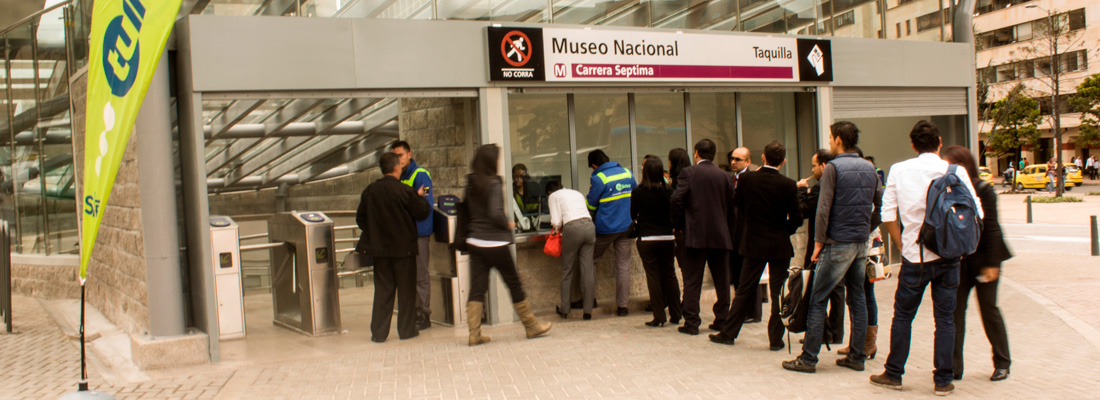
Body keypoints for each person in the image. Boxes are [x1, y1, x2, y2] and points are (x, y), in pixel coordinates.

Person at [870, 120, 982, 396]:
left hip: (914, 257)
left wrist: (902, 244)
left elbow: (888, 215)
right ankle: (943, 380)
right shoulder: (955, 171)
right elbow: (977, 212)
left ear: (912, 144)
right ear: (939, 142)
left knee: (903, 316)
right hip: (949, 256)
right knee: (945, 319)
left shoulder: (899, 169)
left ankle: (894, 373)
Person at [784, 121, 883, 373]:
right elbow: (879, 204)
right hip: (861, 243)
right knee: (857, 299)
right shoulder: (870, 168)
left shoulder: (833, 168)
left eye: (830, 137)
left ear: (839, 139)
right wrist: (866, 229)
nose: (829, 141)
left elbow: (823, 209)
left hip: (837, 243)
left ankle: (808, 358)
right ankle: (857, 356)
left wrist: (818, 244)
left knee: (818, 299)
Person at [709, 141, 802, 349]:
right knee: (778, 292)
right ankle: (775, 339)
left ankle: (729, 332)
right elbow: (797, 216)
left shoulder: (748, 179)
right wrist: (784, 230)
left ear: (763, 158)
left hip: (753, 242)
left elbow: (737, 202)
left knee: (744, 289)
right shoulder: (788, 184)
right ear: (784, 161)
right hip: (779, 244)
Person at [464, 144, 551, 346]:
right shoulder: (494, 182)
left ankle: (474, 334)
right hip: (495, 242)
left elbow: (467, 210)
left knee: (477, 288)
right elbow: (495, 213)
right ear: (490, 161)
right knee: (514, 283)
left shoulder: (471, 182)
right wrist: (508, 223)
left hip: (475, 241)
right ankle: (531, 326)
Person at [940, 146, 1013, 383]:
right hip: (959, 261)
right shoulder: (948, 189)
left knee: (989, 310)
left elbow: (992, 228)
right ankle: (953, 367)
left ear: (962, 165)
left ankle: (1002, 363)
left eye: (949, 164)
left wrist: (992, 264)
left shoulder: (983, 190)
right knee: (954, 313)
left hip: (984, 261)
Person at [356, 152, 431, 342]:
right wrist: (420, 196)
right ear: (397, 167)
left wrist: (375, 232)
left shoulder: (370, 191)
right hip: (404, 250)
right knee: (406, 291)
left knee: (383, 290)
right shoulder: (404, 191)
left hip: (380, 251)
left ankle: (379, 333)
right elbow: (422, 212)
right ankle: (406, 330)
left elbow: (360, 219)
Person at [670, 139, 735, 335]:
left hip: (695, 234)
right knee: (722, 280)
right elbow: (732, 206)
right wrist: (729, 230)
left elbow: (676, 199)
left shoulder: (688, 173)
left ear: (697, 153)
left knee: (693, 280)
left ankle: (691, 321)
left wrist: (679, 223)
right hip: (720, 234)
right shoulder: (725, 176)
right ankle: (722, 319)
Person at [797, 148, 845, 346]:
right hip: (840, 241)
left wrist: (800, 190)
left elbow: (805, 211)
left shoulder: (820, 187)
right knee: (837, 288)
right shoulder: (840, 183)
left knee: (817, 288)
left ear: (823, 166)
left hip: (820, 243)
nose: (812, 169)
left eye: (814, 165)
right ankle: (836, 332)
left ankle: (820, 332)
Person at [631, 157, 682, 327]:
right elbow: (675, 213)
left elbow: (633, 214)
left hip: (647, 238)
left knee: (653, 276)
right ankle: (676, 313)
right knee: (670, 274)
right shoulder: (669, 191)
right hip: (667, 238)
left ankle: (659, 315)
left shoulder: (638, 192)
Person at [586, 149, 637, 316]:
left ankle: (590, 300)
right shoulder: (627, 173)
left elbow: (591, 206)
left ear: (594, 165)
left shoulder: (598, 178)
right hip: (626, 227)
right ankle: (622, 307)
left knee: (590, 260)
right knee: (623, 266)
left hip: (605, 229)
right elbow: (635, 196)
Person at [390, 141, 435, 331]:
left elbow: (425, 199)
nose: (398, 160)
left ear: (410, 154)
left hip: (419, 233)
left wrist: (416, 198)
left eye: (400, 155)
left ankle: (423, 314)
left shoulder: (420, 175)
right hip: (404, 234)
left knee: (420, 275)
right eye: (395, 156)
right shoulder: (398, 177)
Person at [546, 180, 596, 320]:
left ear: (549, 192)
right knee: (587, 270)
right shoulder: (576, 192)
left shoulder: (553, 196)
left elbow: (556, 222)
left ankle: (565, 309)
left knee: (567, 270)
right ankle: (588, 311)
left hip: (572, 228)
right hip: (589, 226)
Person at [728, 147, 757, 293]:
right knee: (736, 274)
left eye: (737, 159)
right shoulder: (729, 179)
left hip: (748, 234)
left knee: (749, 276)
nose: (733, 162)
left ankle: (752, 311)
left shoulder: (753, 179)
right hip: (732, 235)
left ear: (748, 162)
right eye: (732, 159)